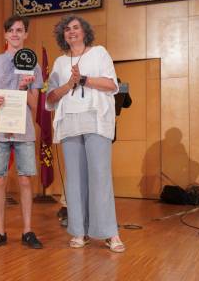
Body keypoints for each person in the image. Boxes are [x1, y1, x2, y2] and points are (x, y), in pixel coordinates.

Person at [46, 14, 125, 253]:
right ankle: (79, 231)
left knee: (100, 176)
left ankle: (110, 232)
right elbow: (50, 98)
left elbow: (112, 85)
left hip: (96, 121)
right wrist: (69, 84)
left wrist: (83, 79)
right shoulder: (60, 63)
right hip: (70, 122)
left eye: (75, 28)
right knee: (74, 180)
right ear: (63, 35)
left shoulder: (99, 52)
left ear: (84, 32)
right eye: (67, 29)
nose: (71, 32)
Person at [0, 15, 43, 249]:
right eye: (11, 30)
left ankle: (27, 231)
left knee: (25, 179)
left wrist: (25, 87)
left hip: (23, 129)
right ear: (5, 35)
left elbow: (35, 105)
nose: (15, 34)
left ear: (26, 34)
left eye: (20, 30)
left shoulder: (33, 65)